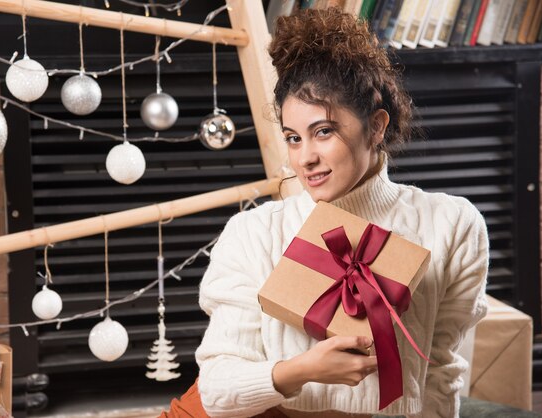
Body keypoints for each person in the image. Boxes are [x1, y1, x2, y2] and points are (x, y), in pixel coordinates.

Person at [164, 7, 489, 418]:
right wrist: (303, 370)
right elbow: (218, 391)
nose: (305, 159)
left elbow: (441, 372)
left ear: (376, 127)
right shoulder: (253, 233)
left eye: (323, 132)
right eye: (292, 138)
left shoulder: (452, 224)